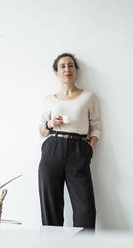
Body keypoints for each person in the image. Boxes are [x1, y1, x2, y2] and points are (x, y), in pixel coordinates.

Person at [38, 53, 101, 229]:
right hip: (53, 148)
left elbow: (96, 127)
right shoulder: (48, 100)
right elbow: (41, 131)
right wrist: (49, 124)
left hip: (79, 149)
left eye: (71, 65)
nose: (67, 69)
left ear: (76, 70)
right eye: (63, 66)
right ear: (56, 72)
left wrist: (89, 150)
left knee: (85, 209)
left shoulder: (88, 97)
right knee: (51, 207)